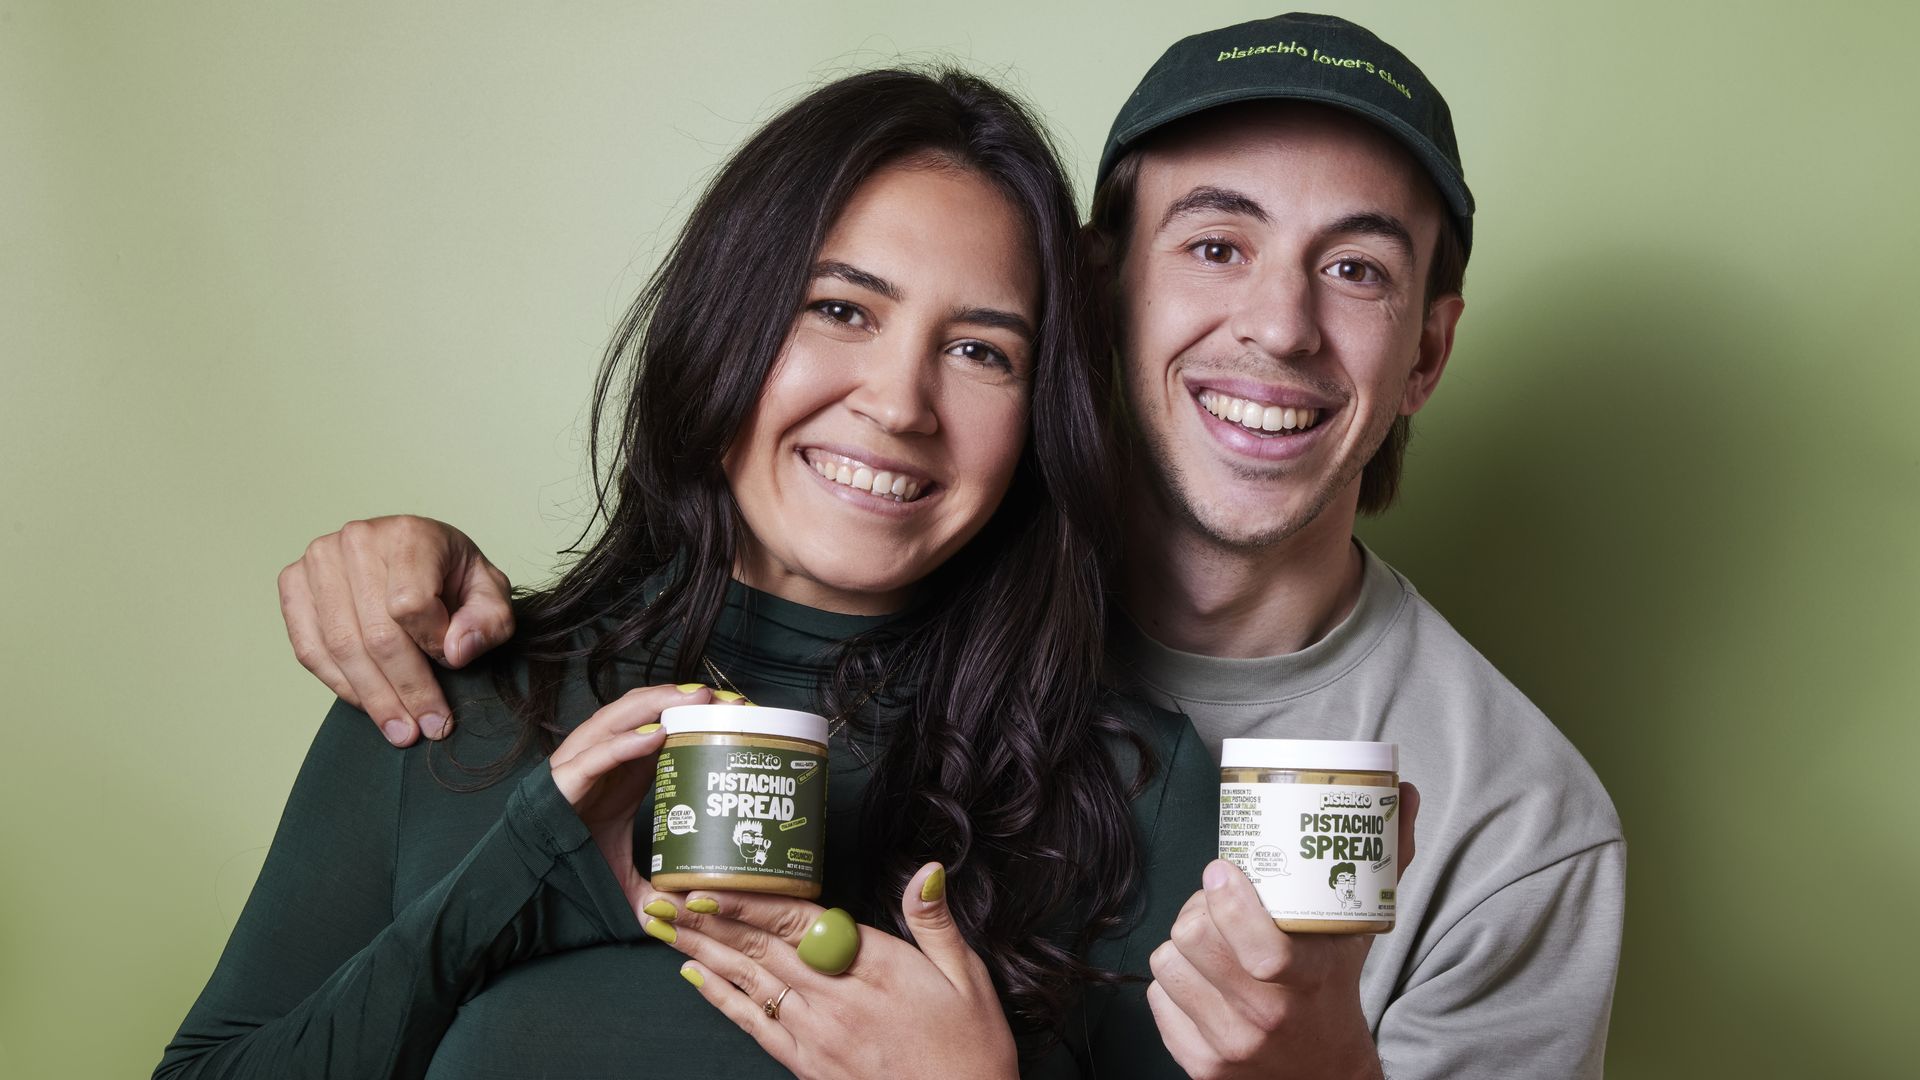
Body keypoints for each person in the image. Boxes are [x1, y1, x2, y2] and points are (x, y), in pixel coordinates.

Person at [278, 13, 1625, 1079]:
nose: (1277, 326)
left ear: (1428, 352)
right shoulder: (490, 681)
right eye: (1217, 242)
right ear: (1102, 301)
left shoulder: (1483, 820)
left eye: (1357, 270)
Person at [157, 68, 1227, 1080]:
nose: (900, 404)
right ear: (727, 324)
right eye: (841, 308)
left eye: (981, 351)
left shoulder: (1127, 778)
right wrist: (517, 874)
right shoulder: (447, 694)